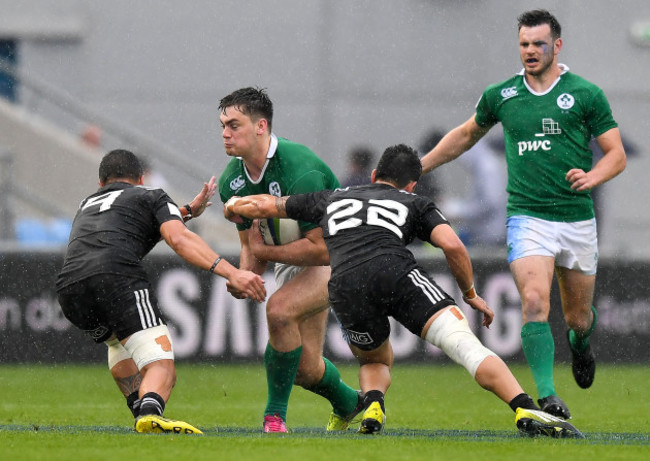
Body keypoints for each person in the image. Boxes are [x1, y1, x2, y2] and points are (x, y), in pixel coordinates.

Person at [223, 143, 583, 438]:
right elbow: (454, 247)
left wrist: (233, 205)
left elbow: (267, 205)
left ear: (375, 175)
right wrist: (470, 293)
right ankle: (524, 406)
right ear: (411, 186)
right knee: (462, 342)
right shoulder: (415, 202)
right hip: (394, 271)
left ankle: (374, 402)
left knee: (376, 359)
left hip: (345, 283)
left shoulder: (331, 197)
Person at [419, 9, 627, 419]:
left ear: (557, 46)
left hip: (576, 219)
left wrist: (593, 175)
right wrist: (419, 168)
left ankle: (581, 343)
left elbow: (616, 154)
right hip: (527, 217)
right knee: (533, 301)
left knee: (578, 317)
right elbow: (464, 136)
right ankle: (548, 396)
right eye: (524, 44)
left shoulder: (585, 94)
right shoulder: (502, 95)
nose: (530, 51)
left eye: (538, 44)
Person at [56, 149, 266, 434]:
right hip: (115, 276)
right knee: (161, 366)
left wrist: (187, 211)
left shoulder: (87, 203)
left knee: (117, 343)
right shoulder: (151, 194)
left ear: (100, 182)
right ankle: (151, 411)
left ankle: (140, 409)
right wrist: (233, 272)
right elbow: (177, 238)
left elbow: (131, 222)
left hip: (70, 287)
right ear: (141, 178)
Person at [216, 87, 361, 433]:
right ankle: (351, 403)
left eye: (234, 125)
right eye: (222, 125)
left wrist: (265, 254)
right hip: (297, 258)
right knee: (305, 369)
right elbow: (251, 246)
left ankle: (274, 417)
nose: (225, 133)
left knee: (279, 310)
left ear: (261, 126)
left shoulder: (300, 169)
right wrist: (244, 275)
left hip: (341, 253)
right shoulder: (231, 182)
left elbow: (322, 249)